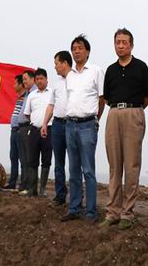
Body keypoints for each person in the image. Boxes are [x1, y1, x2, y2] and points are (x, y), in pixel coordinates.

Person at [100, 28, 148, 230]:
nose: (121, 45)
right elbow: (106, 97)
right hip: (113, 113)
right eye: (117, 42)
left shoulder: (141, 67)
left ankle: (127, 213)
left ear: (131, 45)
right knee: (114, 166)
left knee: (131, 165)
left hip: (134, 113)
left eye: (124, 42)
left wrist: (134, 111)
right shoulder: (110, 70)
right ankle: (112, 212)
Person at [61, 34, 105, 223]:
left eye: (80, 48)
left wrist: (95, 119)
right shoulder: (69, 75)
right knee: (73, 169)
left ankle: (91, 211)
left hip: (87, 125)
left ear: (87, 51)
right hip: (70, 124)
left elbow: (102, 99)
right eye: (74, 48)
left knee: (88, 170)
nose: (76, 51)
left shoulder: (96, 71)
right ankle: (74, 208)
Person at [22, 67, 55, 197]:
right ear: (35, 81)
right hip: (34, 130)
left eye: (42, 78)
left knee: (46, 160)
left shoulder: (52, 93)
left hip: (49, 130)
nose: (40, 81)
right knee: (32, 160)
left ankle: (43, 190)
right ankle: (33, 189)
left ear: (47, 79)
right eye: (37, 79)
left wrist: (45, 123)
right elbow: (27, 114)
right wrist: (36, 121)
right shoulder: (31, 95)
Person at [52, 50, 72, 207]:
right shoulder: (56, 83)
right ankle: (60, 195)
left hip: (72, 124)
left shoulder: (77, 78)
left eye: (56, 63)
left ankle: (77, 195)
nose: (55, 66)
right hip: (57, 124)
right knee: (58, 163)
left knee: (75, 162)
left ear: (65, 63)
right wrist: (45, 123)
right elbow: (51, 104)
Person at [3, 75, 27, 190]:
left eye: (15, 83)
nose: (14, 85)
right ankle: (12, 182)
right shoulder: (19, 98)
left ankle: (23, 184)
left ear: (21, 84)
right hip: (13, 130)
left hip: (20, 130)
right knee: (13, 157)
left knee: (22, 158)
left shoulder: (26, 97)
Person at [17, 70, 37, 193]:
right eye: (23, 79)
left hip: (28, 127)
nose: (23, 81)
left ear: (32, 79)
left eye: (25, 79)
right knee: (23, 158)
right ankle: (24, 184)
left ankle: (30, 186)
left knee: (29, 158)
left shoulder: (34, 93)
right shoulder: (28, 93)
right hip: (22, 127)